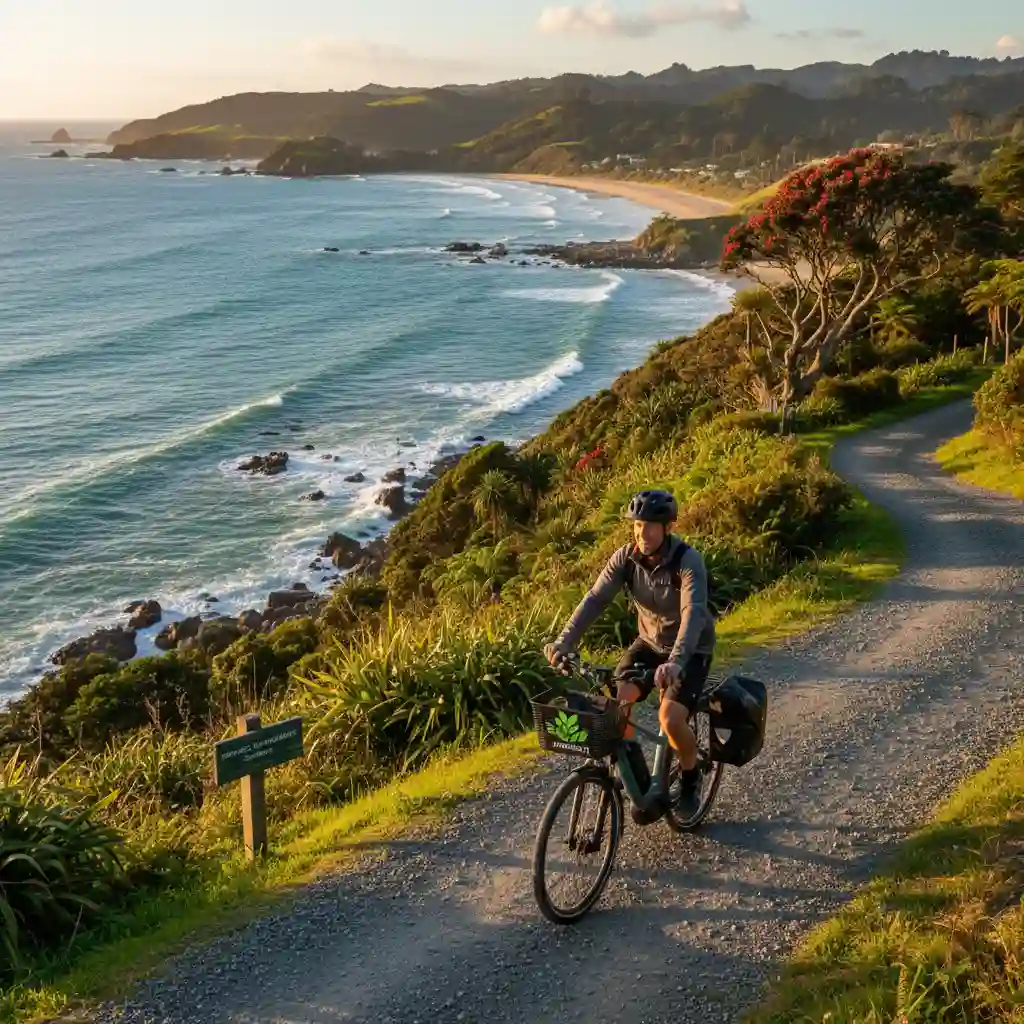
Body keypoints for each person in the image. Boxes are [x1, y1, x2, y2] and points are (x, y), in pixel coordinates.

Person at [544, 489, 716, 818]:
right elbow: (595, 600)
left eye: (651, 526)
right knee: (617, 703)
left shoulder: (687, 561)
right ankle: (641, 785)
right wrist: (564, 642)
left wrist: (676, 662)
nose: (643, 533)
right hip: (649, 643)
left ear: (667, 527)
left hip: (690, 649)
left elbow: (693, 613)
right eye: (637, 525)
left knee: (669, 717)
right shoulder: (626, 558)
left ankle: (691, 777)